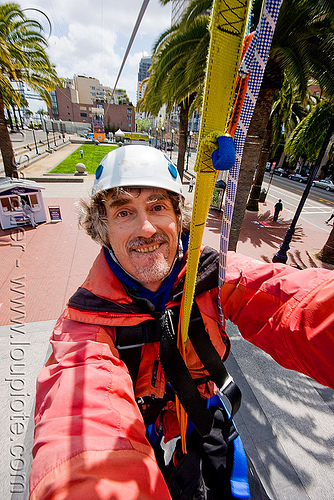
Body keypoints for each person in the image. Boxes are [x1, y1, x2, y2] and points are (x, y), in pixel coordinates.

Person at [30, 146, 334, 500]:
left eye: (158, 207)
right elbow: (79, 425)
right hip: (138, 429)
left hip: (201, 415)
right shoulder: (83, 325)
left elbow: (295, 303)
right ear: (103, 230)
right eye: (124, 212)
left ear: (179, 218)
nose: (146, 228)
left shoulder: (214, 276)